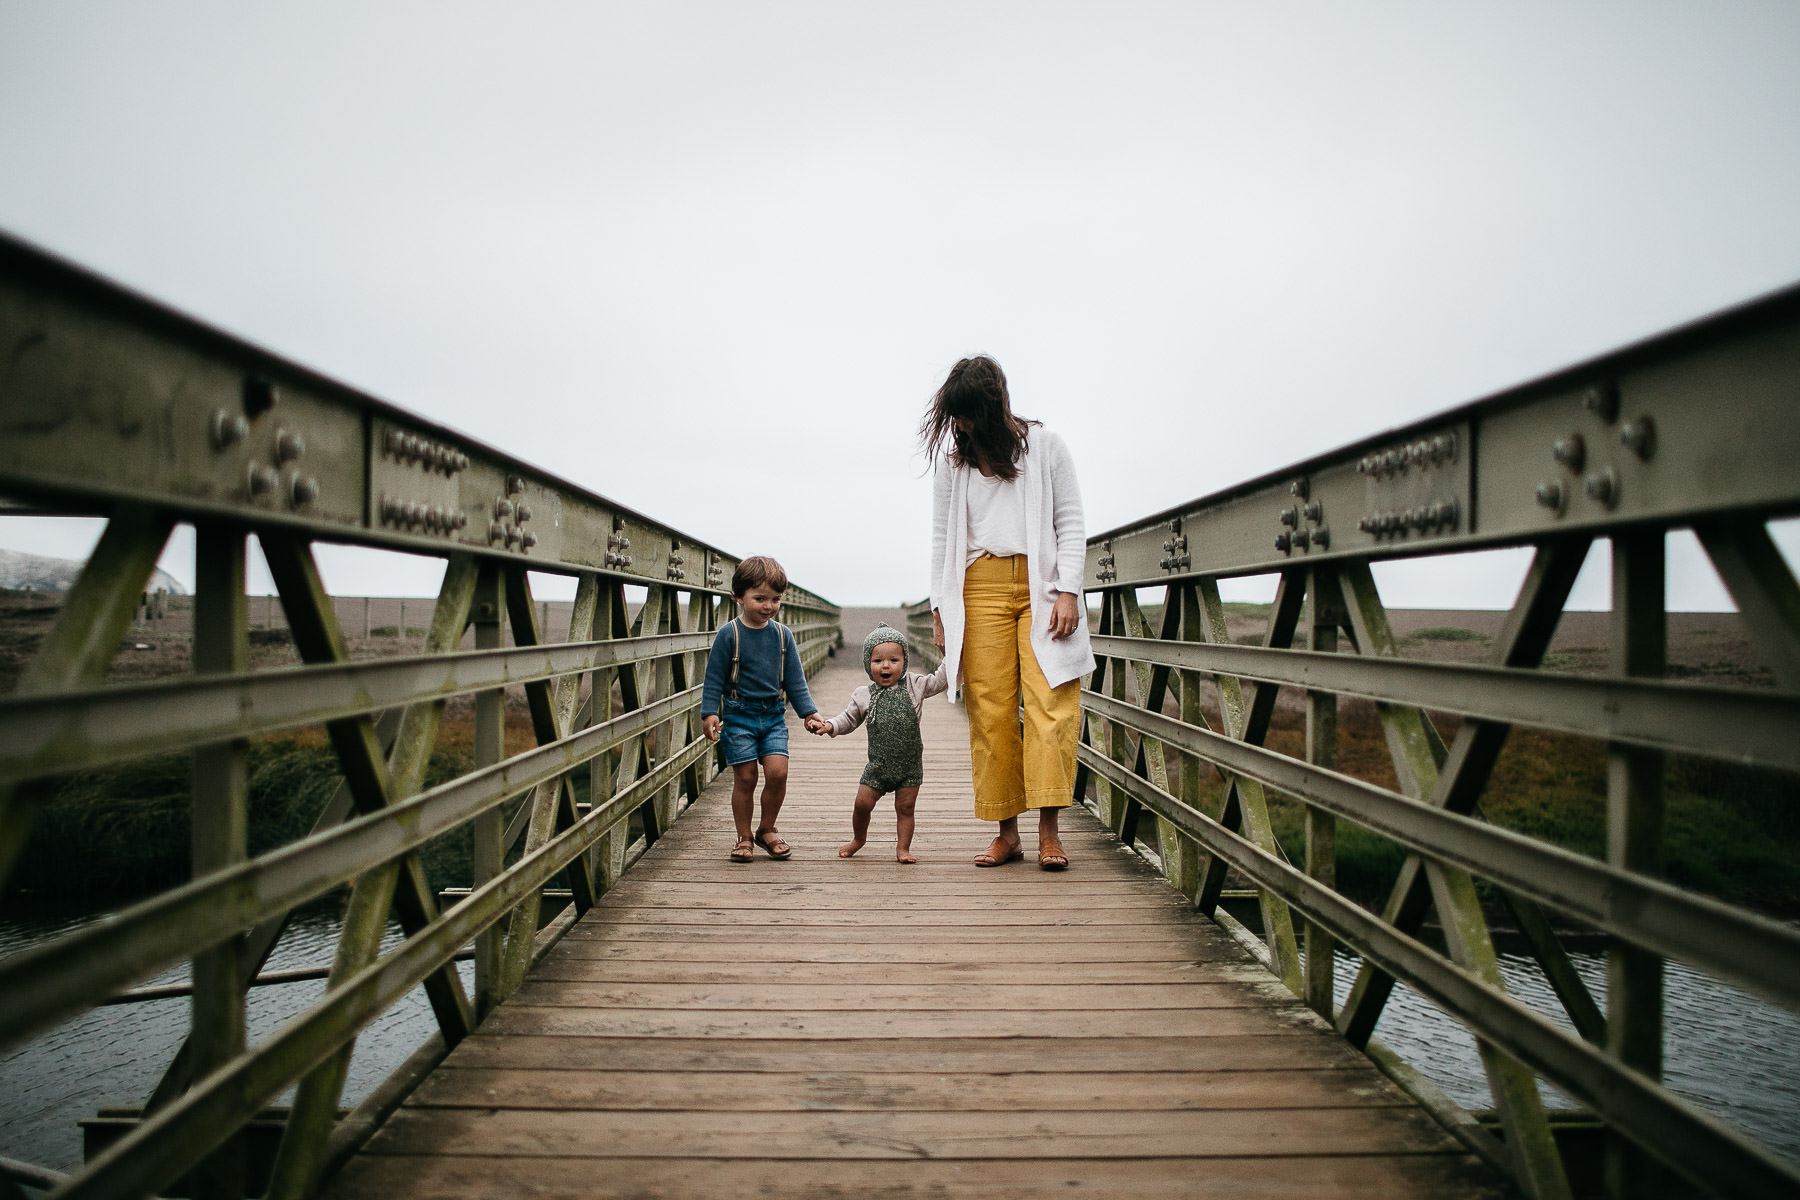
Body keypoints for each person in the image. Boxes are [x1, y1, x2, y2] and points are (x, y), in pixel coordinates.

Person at [923, 355, 1094, 870]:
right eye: (955, 415)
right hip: (979, 587)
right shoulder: (955, 467)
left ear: (992, 406)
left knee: (1051, 703)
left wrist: (1068, 590)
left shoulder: (1045, 447)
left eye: (968, 413)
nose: (960, 424)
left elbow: (1071, 521)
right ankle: (1007, 832)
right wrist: (939, 609)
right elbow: (940, 540)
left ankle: (1049, 832)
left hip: (1040, 585)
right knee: (991, 709)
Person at [701, 556, 828, 862]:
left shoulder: (783, 636)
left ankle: (766, 829)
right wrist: (709, 712)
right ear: (739, 597)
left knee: (778, 772)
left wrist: (809, 712)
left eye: (775, 600)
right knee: (745, 778)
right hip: (738, 714)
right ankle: (743, 837)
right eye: (760, 598)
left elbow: (795, 681)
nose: (769, 606)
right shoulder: (728, 634)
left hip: (772, 716)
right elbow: (713, 678)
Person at [814, 623, 951, 864]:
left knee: (906, 808)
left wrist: (949, 655)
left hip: (909, 765)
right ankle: (859, 839)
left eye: (894, 660)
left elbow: (941, 680)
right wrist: (830, 726)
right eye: (878, 661)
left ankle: (903, 848)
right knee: (862, 803)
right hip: (877, 766)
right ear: (868, 664)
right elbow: (848, 719)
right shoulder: (863, 694)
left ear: (904, 662)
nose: (885, 666)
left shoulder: (915, 685)